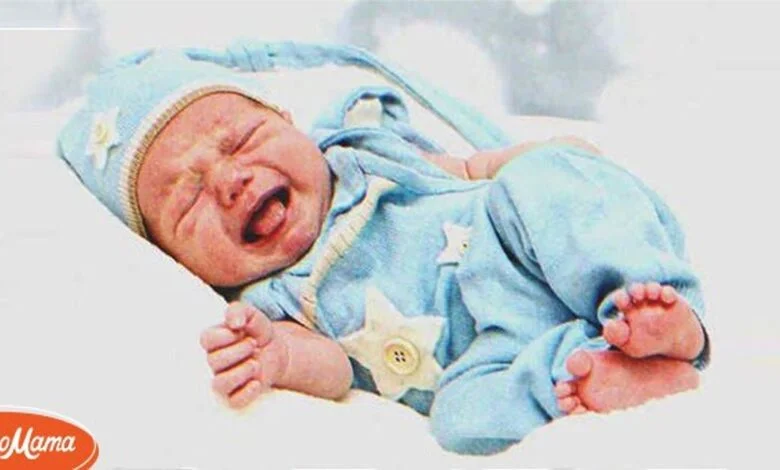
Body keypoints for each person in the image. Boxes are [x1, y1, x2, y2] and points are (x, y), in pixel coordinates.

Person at [58, 43, 709, 455]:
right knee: (458, 421)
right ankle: (597, 369)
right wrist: (279, 356)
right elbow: (334, 371)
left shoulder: (365, 153)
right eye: (188, 198)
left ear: (288, 123)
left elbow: (473, 168)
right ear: (174, 259)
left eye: (240, 140)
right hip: (486, 355)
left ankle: (657, 313)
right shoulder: (270, 303)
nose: (230, 182)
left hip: (526, 251)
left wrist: (549, 160)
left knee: (543, 180)